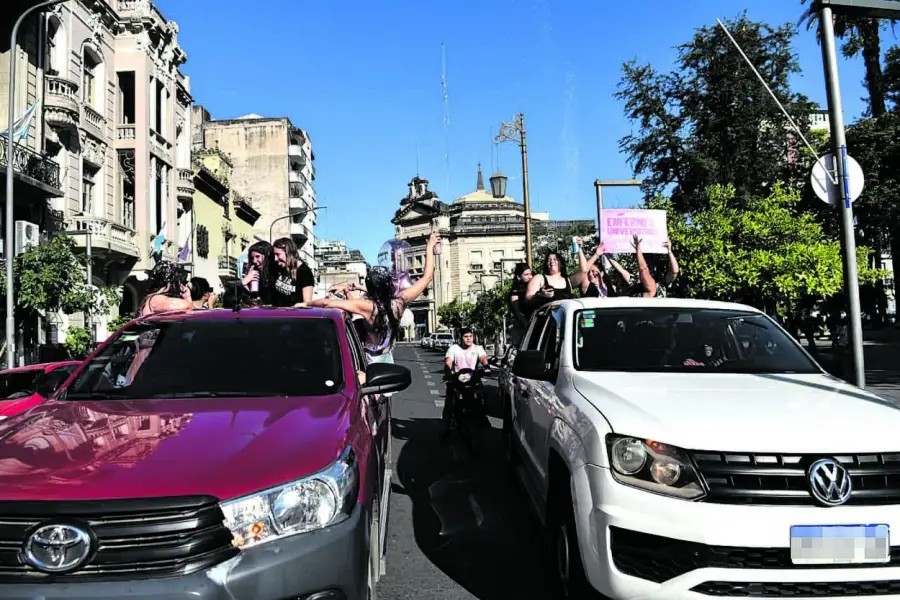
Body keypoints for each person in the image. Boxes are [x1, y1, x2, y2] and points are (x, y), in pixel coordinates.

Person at [310, 232, 441, 364]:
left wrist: (304, 303)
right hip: (388, 358)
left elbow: (327, 304)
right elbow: (427, 277)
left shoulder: (369, 307)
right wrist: (429, 247)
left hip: (368, 360)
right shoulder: (398, 303)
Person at [443, 327, 488, 429]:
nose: (468, 339)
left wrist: (486, 366)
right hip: (457, 379)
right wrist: (447, 371)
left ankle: (483, 416)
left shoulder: (478, 348)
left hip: (473, 378)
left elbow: (483, 358)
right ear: (460, 338)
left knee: (483, 395)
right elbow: (449, 361)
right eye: (466, 336)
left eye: (470, 336)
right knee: (449, 402)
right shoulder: (454, 348)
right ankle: (445, 427)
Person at [271, 237, 315, 306]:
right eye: (274, 255)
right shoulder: (278, 268)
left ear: (289, 253)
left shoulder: (304, 272)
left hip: (293, 315)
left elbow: (307, 303)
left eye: (278, 254)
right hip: (276, 314)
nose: (275, 259)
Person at [507, 263, 533, 345]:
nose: (530, 277)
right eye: (526, 274)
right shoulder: (515, 292)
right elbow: (518, 312)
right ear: (518, 277)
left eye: (530, 274)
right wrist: (528, 325)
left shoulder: (532, 287)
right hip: (521, 326)